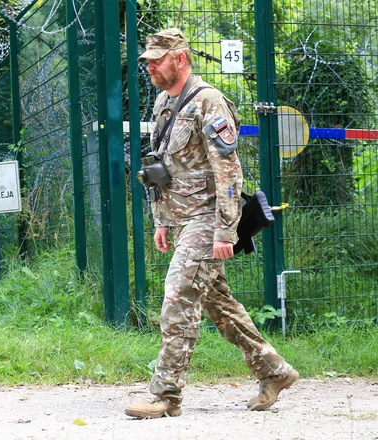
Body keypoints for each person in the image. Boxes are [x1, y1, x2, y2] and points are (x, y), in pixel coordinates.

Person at [125, 28, 298, 419]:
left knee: (178, 295)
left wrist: (226, 230)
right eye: (148, 59)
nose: (149, 65)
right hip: (182, 220)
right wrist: (161, 220)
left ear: (180, 58)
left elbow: (229, 172)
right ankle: (275, 370)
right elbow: (160, 167)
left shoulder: (209, 102)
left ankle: (166, 394)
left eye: (157, 59)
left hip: (208, 220)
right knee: (220, 306)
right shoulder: (163, 103)